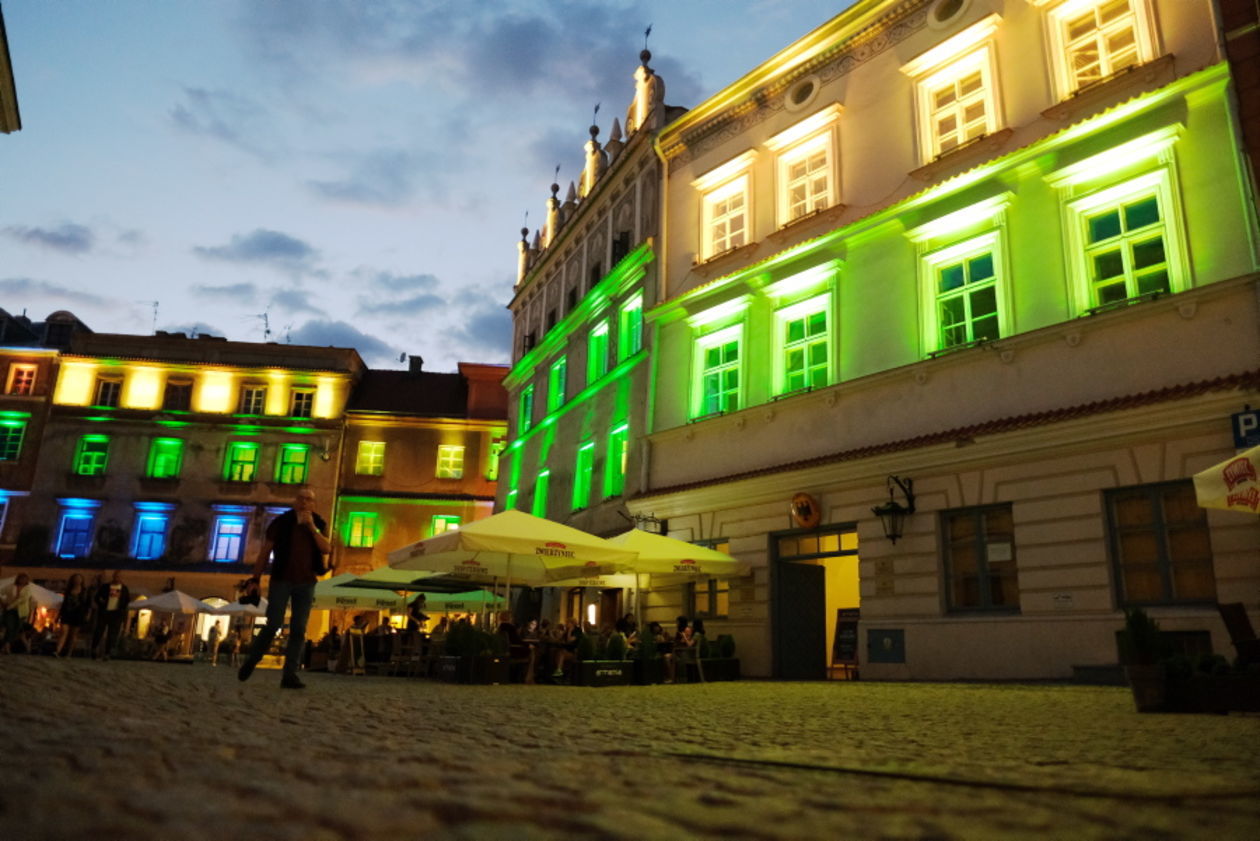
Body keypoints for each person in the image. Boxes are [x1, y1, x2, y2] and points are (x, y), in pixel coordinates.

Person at [237, 488, 332, 689]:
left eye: (309, 500)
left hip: (306, 582)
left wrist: (312, 527)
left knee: (298, 629)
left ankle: (290, 675)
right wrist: (255, 579)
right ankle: (252, 660)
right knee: (273, 624)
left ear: (313, 504)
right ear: (295, 501)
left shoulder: (318, 523)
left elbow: (326, 549)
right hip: (281, 579)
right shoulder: (281, 523)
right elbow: (265, 552)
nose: (305, 502)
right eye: (301, 498)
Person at [91, 571, 130, 660]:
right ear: (113, 577)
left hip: (116, 614)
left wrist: (122, 611)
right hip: (105, 612)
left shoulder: (124, 589)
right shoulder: (105, 587)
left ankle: (107, 653)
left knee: (112, 634)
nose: (117, 578)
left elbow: (126, 601)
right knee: (99, 631)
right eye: (116, 576)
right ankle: (94, 649)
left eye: (119, 577)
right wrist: (102, 603)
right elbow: (97, 597)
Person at [55, 573, 91, 657]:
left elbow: (88, 604)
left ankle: (69, 653)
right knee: (63, 631)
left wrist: (87, 614)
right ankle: (57, 650)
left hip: (78, 614)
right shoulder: (68, 590)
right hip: (67, 613)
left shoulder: (85, 591)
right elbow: (64, 604)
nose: (77, 580)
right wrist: (59, 615)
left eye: (79, 578)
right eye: (76, 578)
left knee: (73, 634)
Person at [1, 573, 35, 653]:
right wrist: (3, 602)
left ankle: (5, 645)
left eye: (24, 578)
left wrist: (11, 606)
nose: (22, 580)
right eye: (21, 578)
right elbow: (1, 592)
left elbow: (22, 599)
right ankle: (7, 646)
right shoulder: (11, 587)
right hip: (10, 611)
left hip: (21, 611)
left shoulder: (28, 589)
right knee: (10, 627)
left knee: (16, 629)